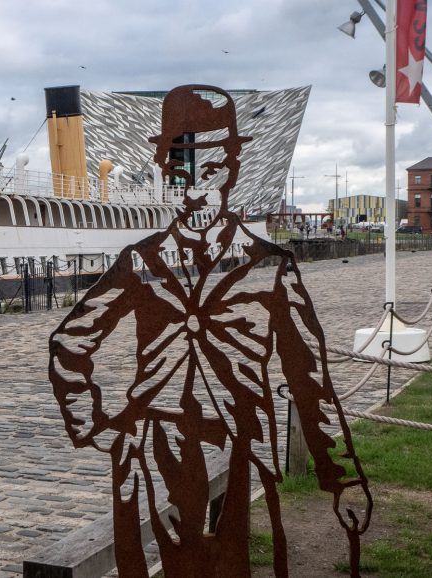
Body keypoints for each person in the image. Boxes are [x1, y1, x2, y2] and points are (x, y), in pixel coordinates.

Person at [49, 85, 371, 577]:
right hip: (155, 449)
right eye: (183, 171)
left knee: (232, 566)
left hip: (239, 446)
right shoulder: (141, 261)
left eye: (213, 169)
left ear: (233, 168)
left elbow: (309, 376)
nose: (197, 187)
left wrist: (342, 476)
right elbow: (70, 342)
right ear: (166, 170)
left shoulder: (269, 265)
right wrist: (95, 426)